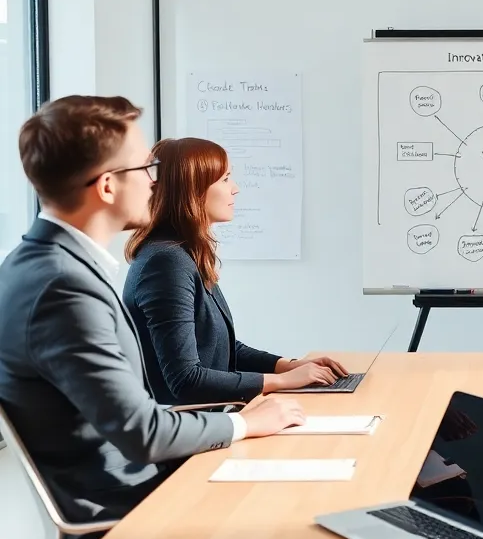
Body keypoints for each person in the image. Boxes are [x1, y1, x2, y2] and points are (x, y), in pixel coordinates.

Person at [0, 96, 306, 539]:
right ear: (106, 186)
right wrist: (248, 424)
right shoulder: (62, 287)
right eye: (146, 167)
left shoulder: (48, 266)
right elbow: (143, 433)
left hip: (134, 484)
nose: (153, 180)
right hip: (123, 507)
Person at [123, 137, 346, 405]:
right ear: (193, 188)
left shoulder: (185, 254)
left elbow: (221, 350)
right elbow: (185, 379)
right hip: (183, 433)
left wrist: (288, 366)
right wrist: (281, 383)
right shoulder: (166, 263)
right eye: (226, 179)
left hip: (205, 422)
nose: (235, 189)